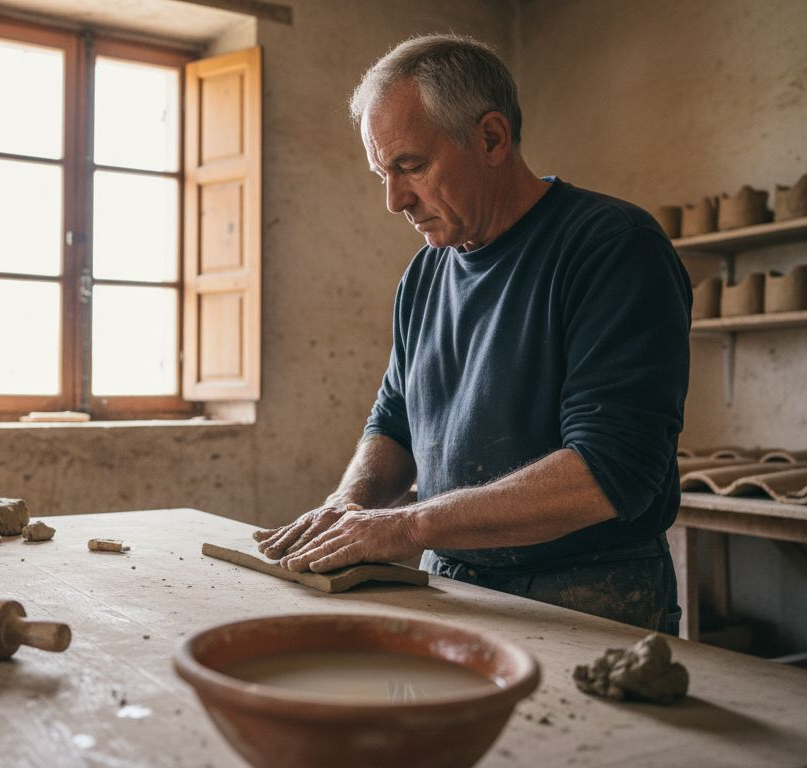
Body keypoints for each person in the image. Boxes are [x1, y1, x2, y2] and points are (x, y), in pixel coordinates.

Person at [253, 33, 691, 633]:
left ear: (491, 139)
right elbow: (395, 422)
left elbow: (609, 471)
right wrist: (347, 505)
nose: (395, 200)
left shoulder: (612, 248)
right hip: (449, 576)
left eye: (411, 166)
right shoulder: (424, 273)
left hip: (587, 591)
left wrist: (406, 525)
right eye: (382, 173)